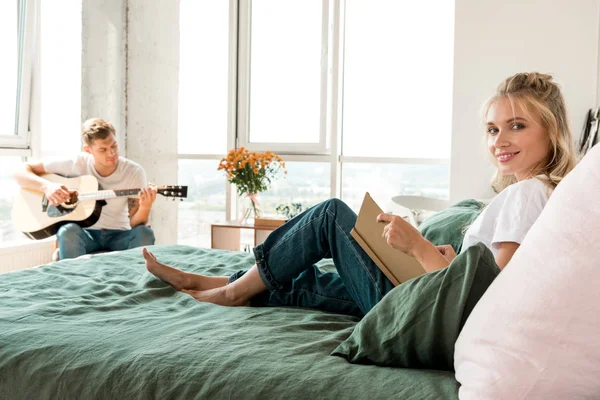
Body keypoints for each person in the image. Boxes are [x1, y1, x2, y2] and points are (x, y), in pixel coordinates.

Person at [143, 72, 577, 317]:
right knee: (313, 281)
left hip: (421, 314)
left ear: (551, 131)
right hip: (424, 299)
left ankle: (232, 292)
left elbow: (485, 299)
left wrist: (420, 246)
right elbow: (478, 276)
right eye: (492, 129)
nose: (500, 140)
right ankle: (216, 283)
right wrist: (447, 258)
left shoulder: (528, 195)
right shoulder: (530, 194)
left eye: (517, 126)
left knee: (330, 216)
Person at [13, 118, 157, 260]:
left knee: (144, 233)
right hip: (85, 234)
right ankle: (76, 281)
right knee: (67, 231)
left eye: (114, 146)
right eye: (103, 149)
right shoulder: (76, 164)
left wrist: (145, 206)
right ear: (88, 150)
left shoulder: (133, 172)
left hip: (119, 235)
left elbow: (135, 223)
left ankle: (134, 281)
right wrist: (47, 187)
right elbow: (19, 171)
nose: (111, 153)